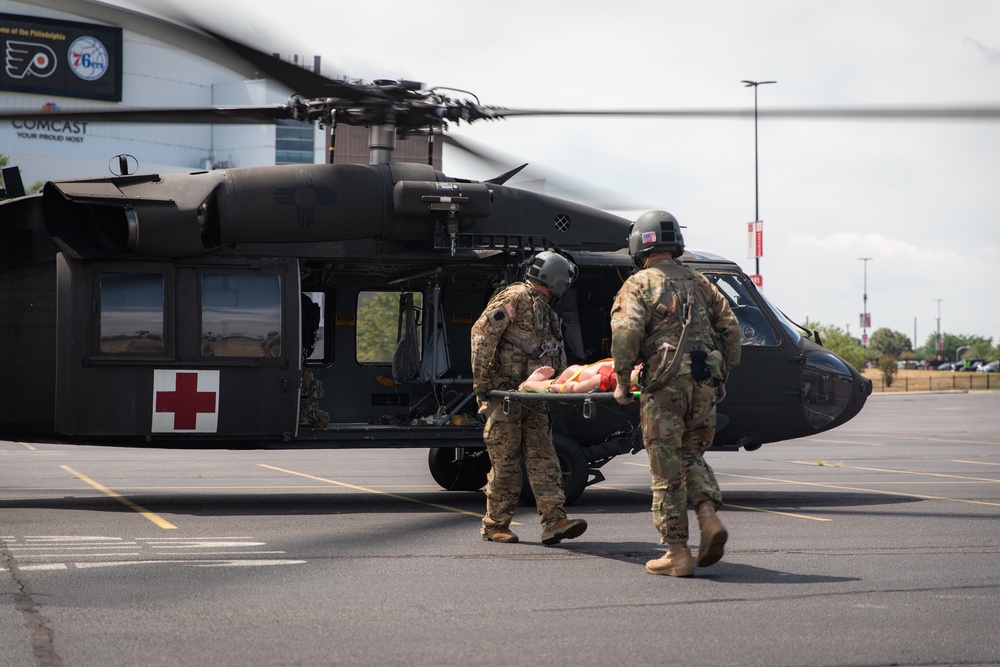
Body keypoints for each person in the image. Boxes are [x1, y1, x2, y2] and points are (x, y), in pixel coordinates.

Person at [609, 211, 741, 577]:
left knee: (665, 465)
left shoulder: (638, 284)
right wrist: (722, 373)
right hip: (704, 382)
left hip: (665, 384)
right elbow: (731, 330)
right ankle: (707, 515)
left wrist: (623, 381)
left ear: (640, 245)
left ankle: (677, 552)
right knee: (691, 455)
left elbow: (626, 333)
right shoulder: (701, 282)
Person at [470, 251, 589, 546]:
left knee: (544, 458)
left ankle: (554, 522)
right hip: (507, 396)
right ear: (557, 280)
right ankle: (495, 525)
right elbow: (482, 334)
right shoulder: (517, 297)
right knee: (506, 461)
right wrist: (482, 383)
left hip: (534, 397)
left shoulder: (545, 310)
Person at [518, 361, 642, 394]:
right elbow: (573, 388)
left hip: (588, 370)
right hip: (573, 377)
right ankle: (529, 383)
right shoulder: (604, 380)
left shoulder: (641, 368)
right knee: (548, 387)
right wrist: (560, 389)